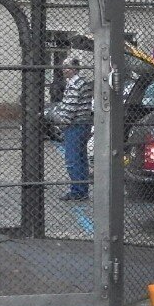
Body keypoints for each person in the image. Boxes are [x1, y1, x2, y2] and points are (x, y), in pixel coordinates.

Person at [55, 56, 92, 201]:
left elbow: (69, 111)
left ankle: (77, 191)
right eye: (63, 66)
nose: (64, 69)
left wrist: (57, 118)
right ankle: (82, 189)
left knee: (72, 159)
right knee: (81, 158)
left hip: (75, 125)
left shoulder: (74, 85)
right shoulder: (82, 83)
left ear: (75, 69)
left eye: (68, 67)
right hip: (83, 124)